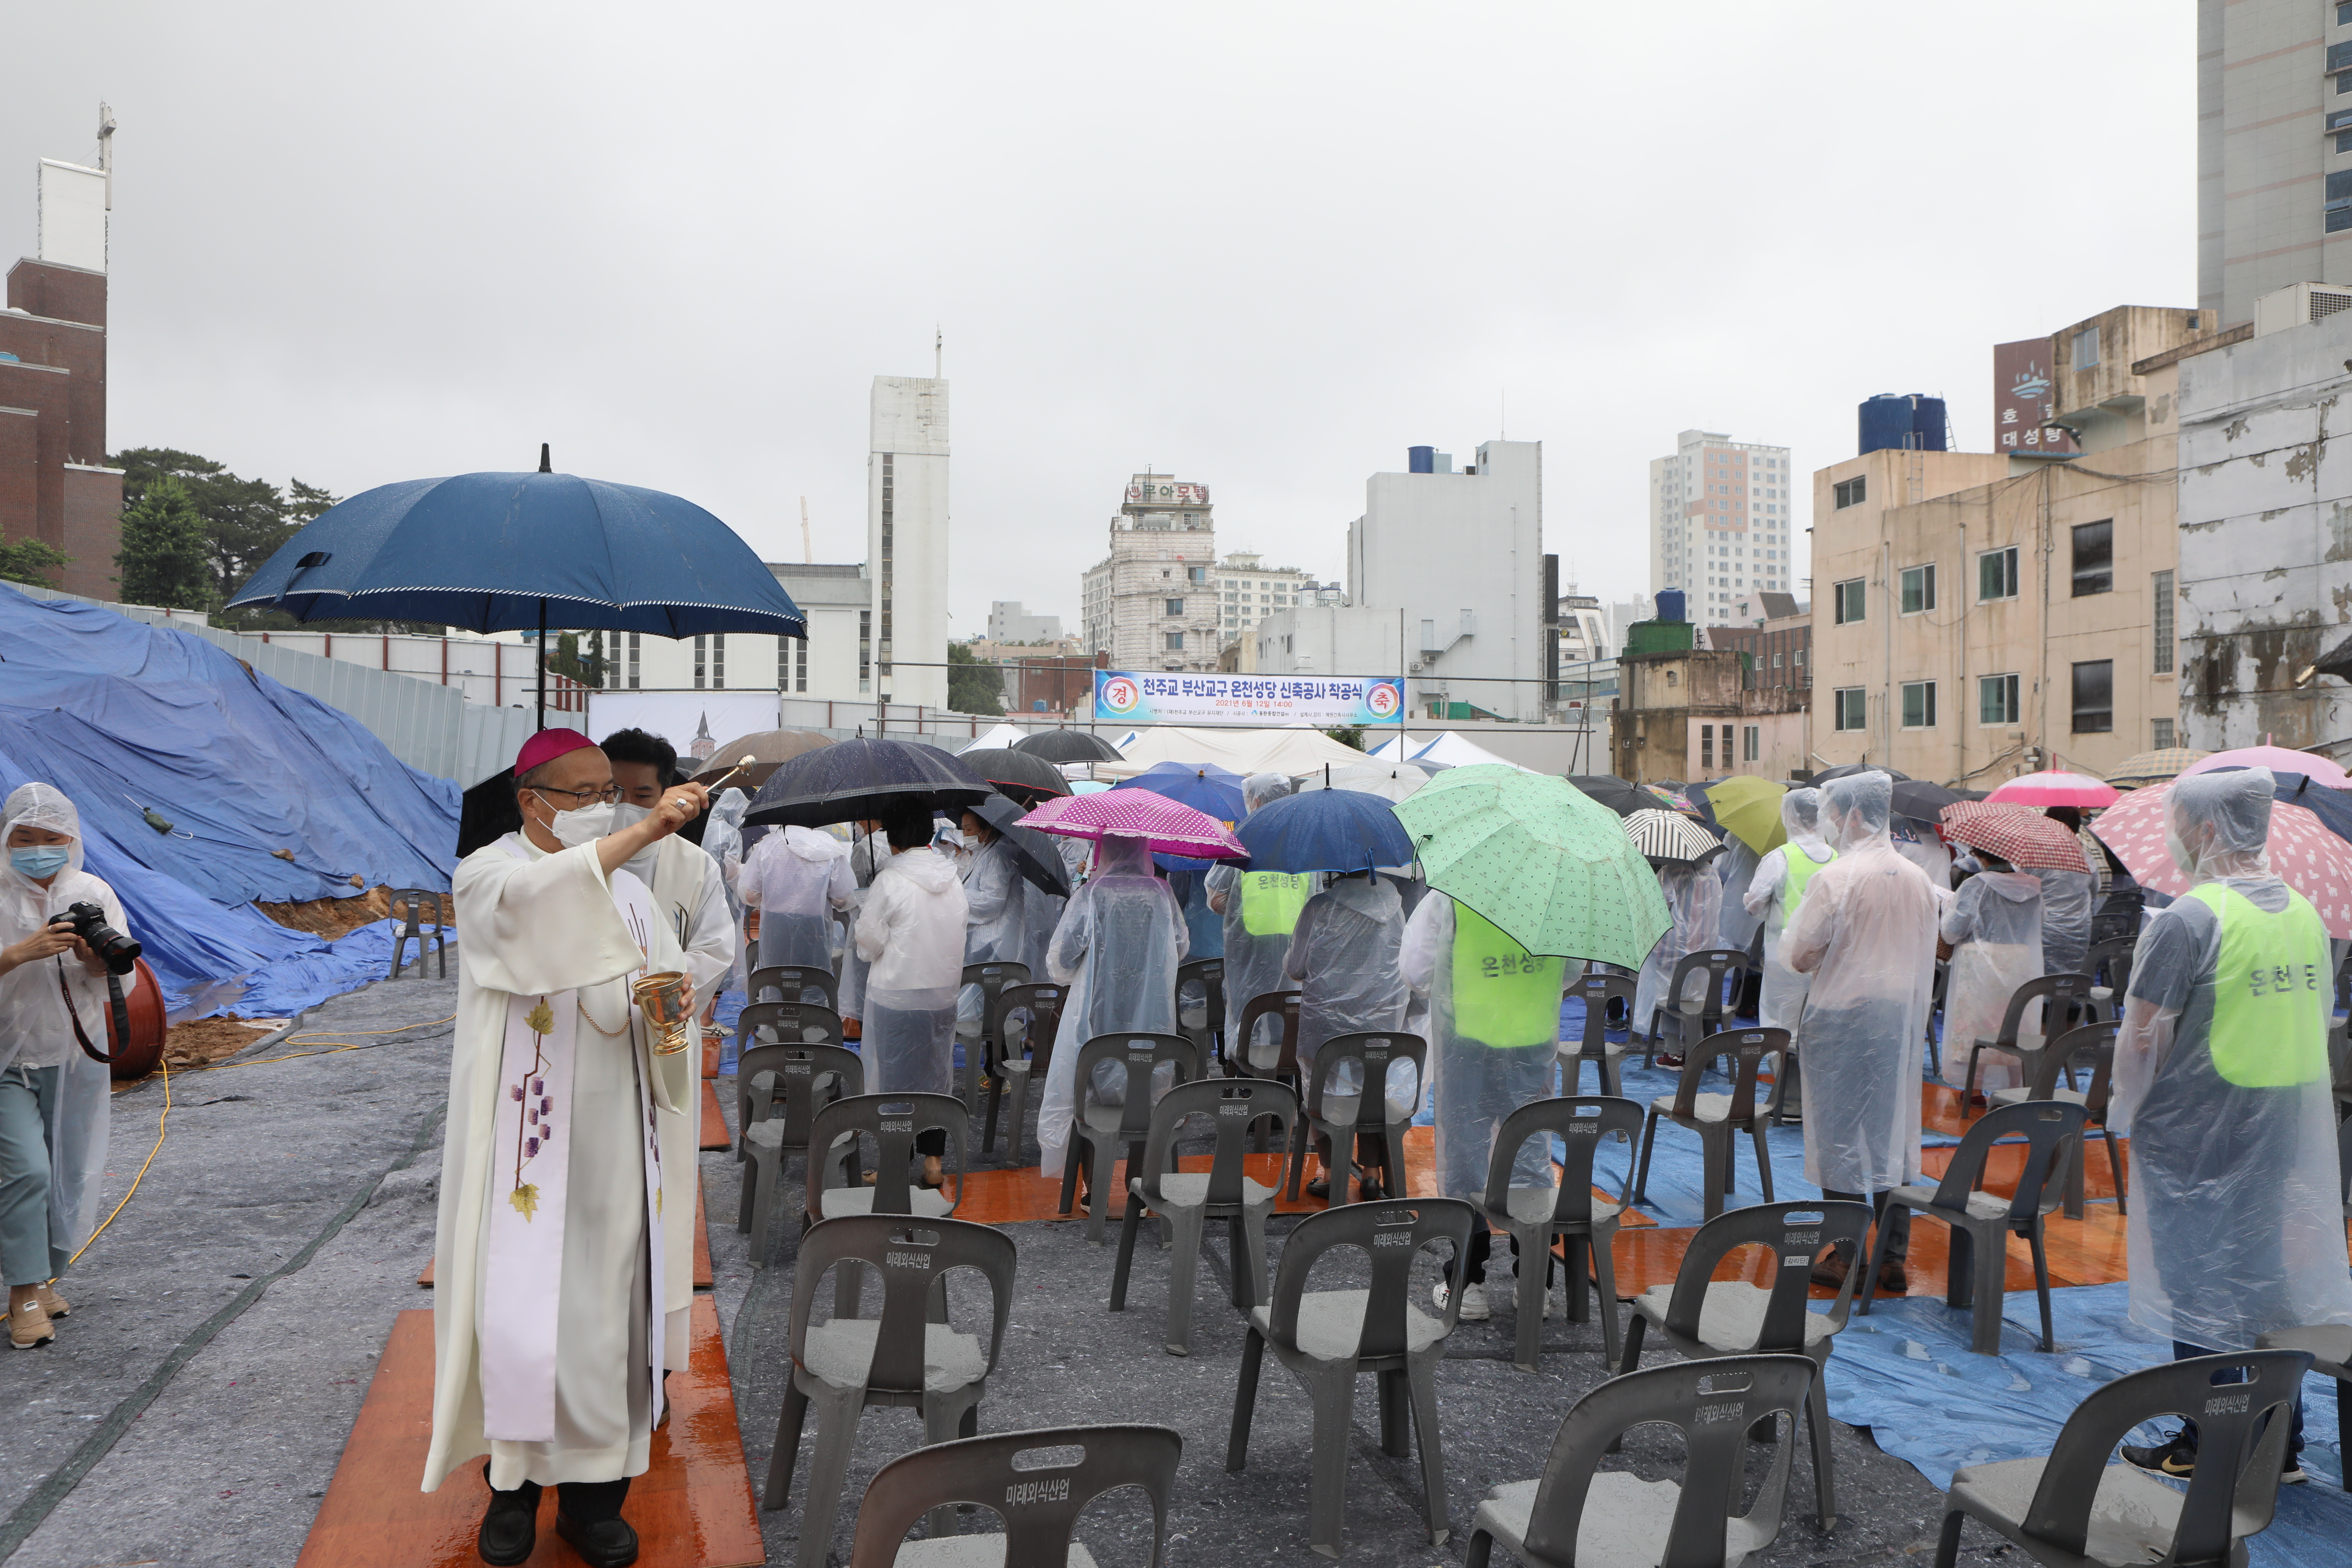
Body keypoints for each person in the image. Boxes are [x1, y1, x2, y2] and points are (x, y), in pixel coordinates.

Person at [428, 729, 705, 1568]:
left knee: (606, 1328)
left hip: (617, 1151)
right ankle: (511, 1492)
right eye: (581, 794)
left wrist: (672, 1012)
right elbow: (540, 905)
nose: (600, 810)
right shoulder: (489, 875)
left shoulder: (633, 896)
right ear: (531, 800)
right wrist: (647, 830)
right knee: (517, 1320)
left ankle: (594, 1503)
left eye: (608, 795)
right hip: (525, 1151)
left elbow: (664, 988)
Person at [2111, 768, 2352, 1482]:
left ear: (2209, 829)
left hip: (2200, 1125)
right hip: (2280, 1123)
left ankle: (2211, 1438)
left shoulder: (2190, 918)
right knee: (2266, 1275)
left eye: (2178, 822)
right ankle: (2281, 1438)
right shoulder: (2304, 913)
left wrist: (2130, 1114)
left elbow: (2142, 1037)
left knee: (2201, 1283)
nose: (2173, 836)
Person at [1783, 769, 1937, 1296]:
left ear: (1851, 815)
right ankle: (1892, 1256)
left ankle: (1847, 1253)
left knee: (1841, 1138)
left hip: (1844, 1020)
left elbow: (1801, 954)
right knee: (1888, 1130)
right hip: (1898, 1021)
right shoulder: (1918, 879)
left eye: (1832, 813)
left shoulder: (1838, 878)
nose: (1830, 823)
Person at [1401, 890, 1564, 1319]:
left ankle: (1467, 1283)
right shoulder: (1559, 893)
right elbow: (1572, 971)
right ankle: (1535, 1283)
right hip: (1530, 1037)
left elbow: (1415, 968)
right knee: (1530, 1154)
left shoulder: (1452, 892)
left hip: (1466, 1039)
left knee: (1465, 1156)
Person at [0, 785, 118, 1351]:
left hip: (74, 1054)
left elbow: (111, 972)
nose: (38, 850)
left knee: (67, 1172)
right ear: (7, 839)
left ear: (70, 841)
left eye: (51, 839)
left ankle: (44, 1277)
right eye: (25, 839)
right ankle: (21, 1293)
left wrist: (92, 956)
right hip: (5, 1059)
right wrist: (20, 952)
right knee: (26, 1171)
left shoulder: (90, 891)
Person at [1038, 832, 1186, 1182]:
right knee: (1147, 1089)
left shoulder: (1091, 896)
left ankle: (1093, 1187)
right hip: (1152, 1011)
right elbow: (1179, 948)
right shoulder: (1163, 894)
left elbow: (1060, 963)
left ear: (1102, 851)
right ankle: (1139, 1179)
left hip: (1095, 1012)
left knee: (1088, 1093)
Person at [854, 808, 970, 1188]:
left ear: (892, 841)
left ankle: (893, 1163)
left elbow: (868, 943)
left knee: (895, 1083)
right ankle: (934, 1161)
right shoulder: (952, 877)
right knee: (935, 1078)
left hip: (897, 995)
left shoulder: (889, 879)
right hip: (942, 994)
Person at [601, 728, 737, 1036]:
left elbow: (714, 947)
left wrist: (668, 990)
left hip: (664, 1019)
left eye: (642, 796)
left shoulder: (695, 865)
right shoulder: (582, 856)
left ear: (665, 793)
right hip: (595, 1020)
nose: (625, 805)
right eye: (615, 793)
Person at [1284, 869, 1409, 1199]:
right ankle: (1371, 1173)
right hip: (1382, 1029)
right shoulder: (1395, 907)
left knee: (1319, 1092)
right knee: (1374, 1089)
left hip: (1326, 1031)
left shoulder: (1319, 907)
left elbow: (1295, 969)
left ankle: (1330, 1173)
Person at [1741, 789, 1834, 1117]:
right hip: (1827, 959)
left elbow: (1754, 904)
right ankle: (1815, 1094)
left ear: (1791, 817)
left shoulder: (1781, 857)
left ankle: (1789, 1098)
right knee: (1819, 1026)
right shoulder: (1839, 857)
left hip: (1786, 959)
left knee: (1783, 1028)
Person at [1206, 774, 1309, 1067]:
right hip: (1294, 953)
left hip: (1249, 952)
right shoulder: (1304, 845)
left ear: (1258, 801)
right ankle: (1285, 1086)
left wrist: (1240, 904)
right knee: (1288, 1023)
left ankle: (1246, 1086)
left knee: (1247, 1022)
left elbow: (1215, 899)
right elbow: (1314, 900)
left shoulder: (1243, 840)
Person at [1935, 846, 2044, 1094]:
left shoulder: (1977, 886)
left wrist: (1949, 905)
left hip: (1980, 968)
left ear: (1982, 856)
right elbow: (2037, 924)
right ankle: (2017, 1086)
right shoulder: (2033, 886)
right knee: (2016, 1027)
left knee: (1977, 1030)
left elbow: (1952, 932)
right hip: (2020, 966)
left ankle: (1973, 1092)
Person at [1633, 859, 1724, 1069]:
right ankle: (1696, 1049)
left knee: (1670, 999)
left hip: (1672, 950)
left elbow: (1654, 907)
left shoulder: (1669, 873)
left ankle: (1672, 1054)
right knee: (1695, 1000)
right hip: (1704, 951)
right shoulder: (1713, 876)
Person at [738, 825, 854, 984]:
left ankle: (776, 1008)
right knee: (814, 984)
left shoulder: (767, 846)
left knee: (776, 981)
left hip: (776, 929)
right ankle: (812, 1008)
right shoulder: (829, 846)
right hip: (814, 930)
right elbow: (843, 899)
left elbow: (750, 895)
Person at [957, 806, 1027, 1038]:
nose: (965, 834)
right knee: (983, 998)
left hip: (992, 940)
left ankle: (992, 1051)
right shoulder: (985, 851)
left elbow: (992, 900)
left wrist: (957, 897)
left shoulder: (997, 855)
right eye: (963, 828)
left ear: (986, 830)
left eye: (969, 829)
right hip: (984, 938)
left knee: (987, 998)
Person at [2033, 806, 2097, 977]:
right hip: (2078, 929)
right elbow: (2094, 893)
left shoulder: (2036, 858)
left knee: (2039, 982)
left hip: (2043, 929)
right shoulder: (2086, 859)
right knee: (2070, 981)